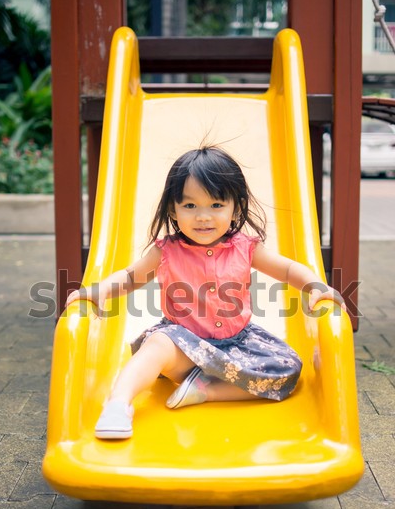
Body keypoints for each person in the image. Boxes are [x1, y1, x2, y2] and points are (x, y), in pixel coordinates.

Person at [66, 146, 345, 440]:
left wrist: (316, 286)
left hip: (237, 346)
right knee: (158, 343)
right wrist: (97, 292)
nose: (203, 217)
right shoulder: (166, 252)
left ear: (235, 208)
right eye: (190, 206)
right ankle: (118, 404)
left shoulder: (246, 247)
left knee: (288, 371)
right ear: (173, 209)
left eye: (215, 205)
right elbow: (130, 277)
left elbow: (288, 270)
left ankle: (205, 391)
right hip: (182, 348)